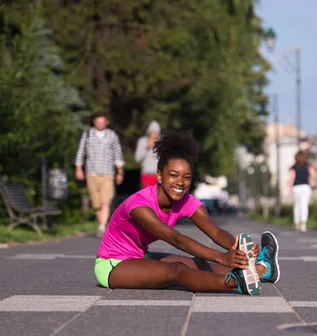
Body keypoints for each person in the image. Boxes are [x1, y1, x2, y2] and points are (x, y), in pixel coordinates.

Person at [94, 129, 281, 295]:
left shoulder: (187, 201)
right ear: (159, 176)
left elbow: (214, 231)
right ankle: (235, 283)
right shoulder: (139, 205)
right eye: (173, 175)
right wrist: (221, 257)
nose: (180, 182)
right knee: (177, 271)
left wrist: (239, 249)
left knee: (199, 264)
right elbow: (176, 239)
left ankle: (263, 269)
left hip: (141, 256)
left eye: (186, 177)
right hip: (113, 265)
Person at [75, 112, 125, 237]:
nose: (100, 124)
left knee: (105, 201)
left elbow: (117, 153)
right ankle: (101, 224)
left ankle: (102, 226)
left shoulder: (112, 135)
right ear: (94, 122)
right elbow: (81, 152)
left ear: (106, 122)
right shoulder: (87, 135)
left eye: (102, 122)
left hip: (107, 173)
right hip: (91, 173)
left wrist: (120, 171)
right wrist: (78, 169)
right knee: (96, 203)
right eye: (98, 122)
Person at [288, 150, 317, 233]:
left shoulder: (293, 167)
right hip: (306, 187)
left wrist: (290, 191)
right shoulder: (308, 166)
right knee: (304, 206)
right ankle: (303, 225)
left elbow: (291, 180)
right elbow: (314, 175)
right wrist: (313, 183)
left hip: (296, 188)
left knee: (297, 206)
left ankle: (296, 225)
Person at [135, 120, 161, 188]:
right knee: (147, 197)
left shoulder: (161, 143)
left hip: (159, 176)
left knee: (157, 197)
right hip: (147, 175)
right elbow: (138, 158)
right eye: (153, 131)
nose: (154, 133)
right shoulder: (142, 141)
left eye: (156, 132)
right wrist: (147, 147)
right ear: (149, 131)